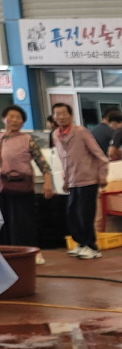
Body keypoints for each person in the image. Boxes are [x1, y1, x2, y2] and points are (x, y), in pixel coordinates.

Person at [49, 102, 109, 261]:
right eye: (57, 114)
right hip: (72, 181)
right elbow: (64, 160)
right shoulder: (55, 135)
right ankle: (81, 244)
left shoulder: (81, 132)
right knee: (72, 214)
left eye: (64, 113)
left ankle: (92, 247)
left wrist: (102, 175)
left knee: (85, 215)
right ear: (53, 117)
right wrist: (65, 180)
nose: (61, 117)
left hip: (88, 180)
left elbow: (100, 155)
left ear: (71, 115)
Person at [1, 105, 54, 249]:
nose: (14, 120)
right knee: (4, 223)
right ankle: (8, 254)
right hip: (3, 188)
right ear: (4, 119)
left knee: (22, 223)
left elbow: (42, 163)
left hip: (22, 187)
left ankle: (28, 253)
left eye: (18, 118)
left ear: (23, 123)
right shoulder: (1, 138)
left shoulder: (27, 139)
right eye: (11, 117)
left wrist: (47, 183)